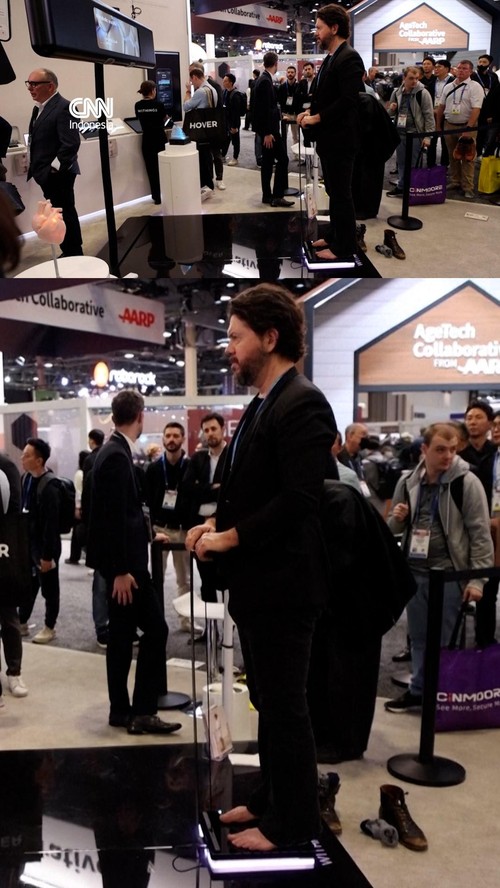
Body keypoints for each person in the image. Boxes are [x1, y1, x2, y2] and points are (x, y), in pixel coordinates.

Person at [186, 283, 337, 851]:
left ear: (270, 338)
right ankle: (271, 799)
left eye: (235, 337)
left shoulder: (303, 402)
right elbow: (250, 490)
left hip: (286, 587)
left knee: (286, 707)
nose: (228, 348)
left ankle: (293, 824)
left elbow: (298, 499)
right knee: (269, 703)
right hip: (260, 585)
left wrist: (229, 537)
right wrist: (210, 526)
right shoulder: (262, 404)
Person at [86, 390, 182, 735]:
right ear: (140, 415)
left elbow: (125, 511)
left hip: (124, 562)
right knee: (156, 630)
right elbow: (110, 518)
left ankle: (120, 711)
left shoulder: (113, 450)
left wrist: (148, 535)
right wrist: (121, 571)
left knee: (123, 636)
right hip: (126, 569)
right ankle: (142, 711)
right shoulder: (115, 455)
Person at [385, 422, 494, 712]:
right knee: (418, 638)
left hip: (448, 576)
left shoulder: (466, 483)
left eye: (453, 450)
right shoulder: (408, 481)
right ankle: (420, 690)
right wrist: (397, 518)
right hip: (415, 573)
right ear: (425, 449)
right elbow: (392, 529)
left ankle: (441, 696)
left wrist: (477, 580)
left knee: (444, 641)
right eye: (441, 450)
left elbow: (480, 535)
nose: (448, 456)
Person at [297, 3, 364, 262]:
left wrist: (316, 117)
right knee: (334, 193)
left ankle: (344, 247)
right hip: (329, 139)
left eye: (319, 27)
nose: (316, 32)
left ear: (334, 28)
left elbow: (348, 100)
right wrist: (308, 112)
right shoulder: (331, 58)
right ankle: (335, 236)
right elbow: (325, 96)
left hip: (341, 140)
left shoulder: (349, 57)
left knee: (342, 195)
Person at [143, 421, 195, 633]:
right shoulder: (154, 469)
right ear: (163, 439)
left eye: (176, 435)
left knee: (185, 579)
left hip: (183, 530)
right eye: (168, 436)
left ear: (183, 438)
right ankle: (155, 621)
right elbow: (147, 501)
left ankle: (186, 621)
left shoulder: (191, 466)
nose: (171, 439)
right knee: (156, 577)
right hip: (160, 530)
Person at [26, 68, 83, 256]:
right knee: (58, 213)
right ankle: (68, 250)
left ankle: (74, 252)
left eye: (34, 84)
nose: (30, 88)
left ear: (50, 86)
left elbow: (71, 143)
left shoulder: (64, 107)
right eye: (29, 84)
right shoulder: (39, 108)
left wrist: (54, 169)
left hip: (59, 175)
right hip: (47, 174)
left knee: (65, 213)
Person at [180, 412, 228, 604]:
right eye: (206, 430)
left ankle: (228, 622)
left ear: (222, 429)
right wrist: (213, 488)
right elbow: (187, 488)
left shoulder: (233, 455)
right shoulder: (198, 458)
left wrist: (202, 488)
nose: (210, 434)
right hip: (199, 524)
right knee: (206, 580)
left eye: (213, 429)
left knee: (226, 580)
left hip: (224, 525)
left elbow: (231, 491)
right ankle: (211, 624)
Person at [461, 399, 498, 647]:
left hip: (492, 527)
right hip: (463, 527)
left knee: (489, 588)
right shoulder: (458, 455)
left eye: (478, 417)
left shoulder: (496, 455)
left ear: (489, 423)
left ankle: (485, 642)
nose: (472, 422)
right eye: (469, 418)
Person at [18, 438, 61, 644]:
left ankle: (49, 627)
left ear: (39, 460)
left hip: (45, 547)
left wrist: (47, 556)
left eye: (27, 455)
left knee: (49, 589)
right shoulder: (26, 478)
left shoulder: (50, 486)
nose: (22, 458)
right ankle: (21, 622)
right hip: (29, 543)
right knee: (28, 585)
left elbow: (51, 526)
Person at [0, 453, 28, 700]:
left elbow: (14, 513)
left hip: (5, 550)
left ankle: (14, 672)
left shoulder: (6, 466)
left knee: (9, 617)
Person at [436, 59, 484, 200]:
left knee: (468, 158)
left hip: (467, 126)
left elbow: (476, 109)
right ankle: (455, 181)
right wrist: (438, 126)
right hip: (449, 125)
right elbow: (441, 107)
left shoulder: (475, 87)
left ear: (470, 71)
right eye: (459, 68)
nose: (461, 71)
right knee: (453, 156)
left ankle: (468, 187)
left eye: (464, 68)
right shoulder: (448, 87)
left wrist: (469, 128)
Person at [252, 51, 294, 208]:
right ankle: (277, 196)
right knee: (283, 160)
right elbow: (263, 110)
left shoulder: (264, 79)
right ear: (276, 63)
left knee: (268, 162)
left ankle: (267, 195)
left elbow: (267, 107)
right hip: (270, 131)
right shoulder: (265, 81)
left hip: (267, 129)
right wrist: (267, 133)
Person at [386, 66, 435, 197]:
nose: (414, 81)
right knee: (401, 162)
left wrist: (428, 136)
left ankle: (412, 188)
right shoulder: (397, 92)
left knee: (413, 163)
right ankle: (402, 186)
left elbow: (429, 116)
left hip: (415, 134)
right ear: (404, 78)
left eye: (416, 78)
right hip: (400, 132)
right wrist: (391, 109)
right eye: (411, 78)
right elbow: (390, 113)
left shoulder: (423, 93)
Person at [81, 429, 109, 648]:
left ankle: (105, 628)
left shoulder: (92, 462)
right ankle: (102, 628)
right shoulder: (94, 466)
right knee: (101, 585)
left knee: (105, 586)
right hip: (101, 537)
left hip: (105, 536)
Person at [183, 66, 219, 199]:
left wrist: (188, 91)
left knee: (202, 160)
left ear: (195, 77)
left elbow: (186, 107)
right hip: (210, 130)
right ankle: (209, 185)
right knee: (207, 158)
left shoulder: (200, 92)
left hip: (200, 131)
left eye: (192, 81)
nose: (192, 84)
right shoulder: (212, 89)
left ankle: (205, 186)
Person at [134, 80, 167, 205]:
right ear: (153, 91)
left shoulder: (138, 105)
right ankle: (166, 193)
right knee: (163, 168)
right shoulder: (159, 105)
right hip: (160, 139)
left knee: (151, 170)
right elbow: (164, 119)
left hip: (147, 141)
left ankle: (156, 197)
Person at [427, 59, 454, 168]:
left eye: (439, 67)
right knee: (431, 141)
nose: (436, 69)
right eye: (436, 67)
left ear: (447, 69)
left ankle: (444, 166)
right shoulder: (431, 82)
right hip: (432, 115)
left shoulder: (453, 82)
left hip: (447, 116)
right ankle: (430, 165)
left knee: (446, 143)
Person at [65, 449, 89, 565]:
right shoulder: (85, 473)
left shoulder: (79, 474)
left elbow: (78, 491)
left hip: (80, 506)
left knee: (76, 532)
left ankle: (74, 556)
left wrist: (77, 507)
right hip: (86, 505)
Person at [222, 73, 242, 166]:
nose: (223, 82)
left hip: (234, 122)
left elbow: (236, 112)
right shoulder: (225, 92)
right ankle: (223, 155)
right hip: (226, 121)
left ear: (231, 82)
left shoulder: (235, 95)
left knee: (235, 141)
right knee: (226, 139)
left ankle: (235, 158)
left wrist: (234, 126)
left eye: (225, 81)